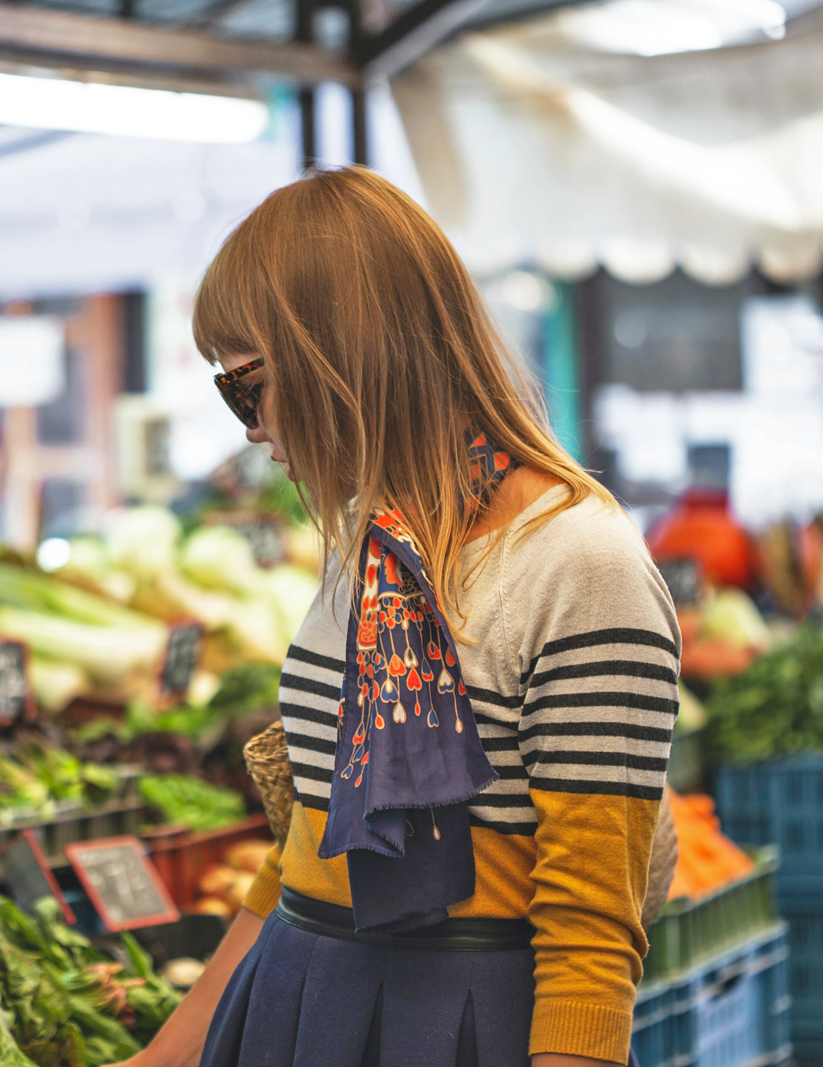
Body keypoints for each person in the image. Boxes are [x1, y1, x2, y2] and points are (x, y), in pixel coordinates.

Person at [114, 168, 678, 1067]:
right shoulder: (374, 548)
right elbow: (305, 846)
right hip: (292, 995)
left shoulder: (581, 563)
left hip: (460, 1020)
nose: (251, 428)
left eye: (246, 385)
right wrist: (158, 1059)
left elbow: (590, 929)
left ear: (341, 357)